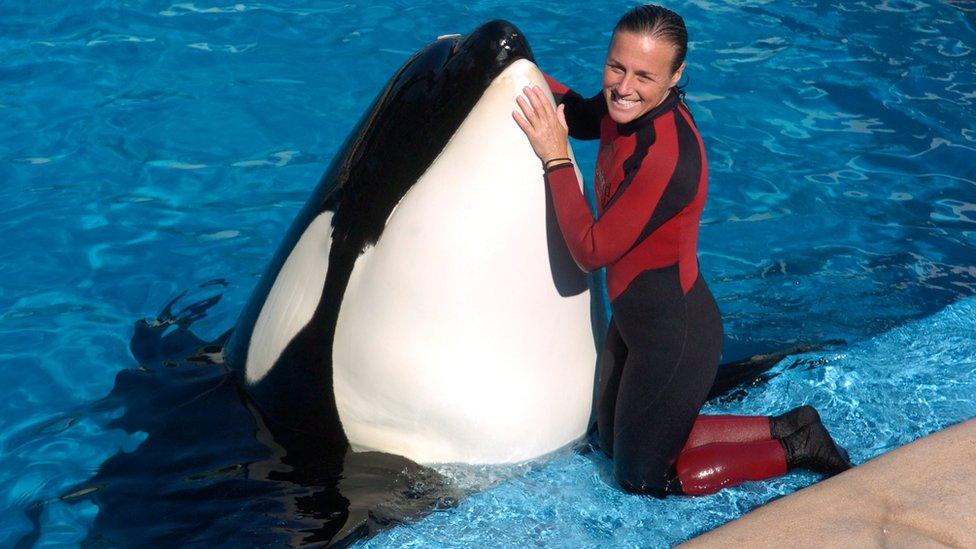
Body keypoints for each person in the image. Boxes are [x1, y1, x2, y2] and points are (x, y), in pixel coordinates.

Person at [513, 4, 852, 496]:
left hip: (674, 333)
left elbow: (590, 250)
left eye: (644, 76)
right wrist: (504, 64)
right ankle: (789, 424)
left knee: (641, 478)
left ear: (675, 76)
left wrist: (555, 158)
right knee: (610, 444)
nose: (624, 87)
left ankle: (794, 446)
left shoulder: (667, 155)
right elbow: (578, 115)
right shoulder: (619, 109)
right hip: (634, 320)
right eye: (616, 67)